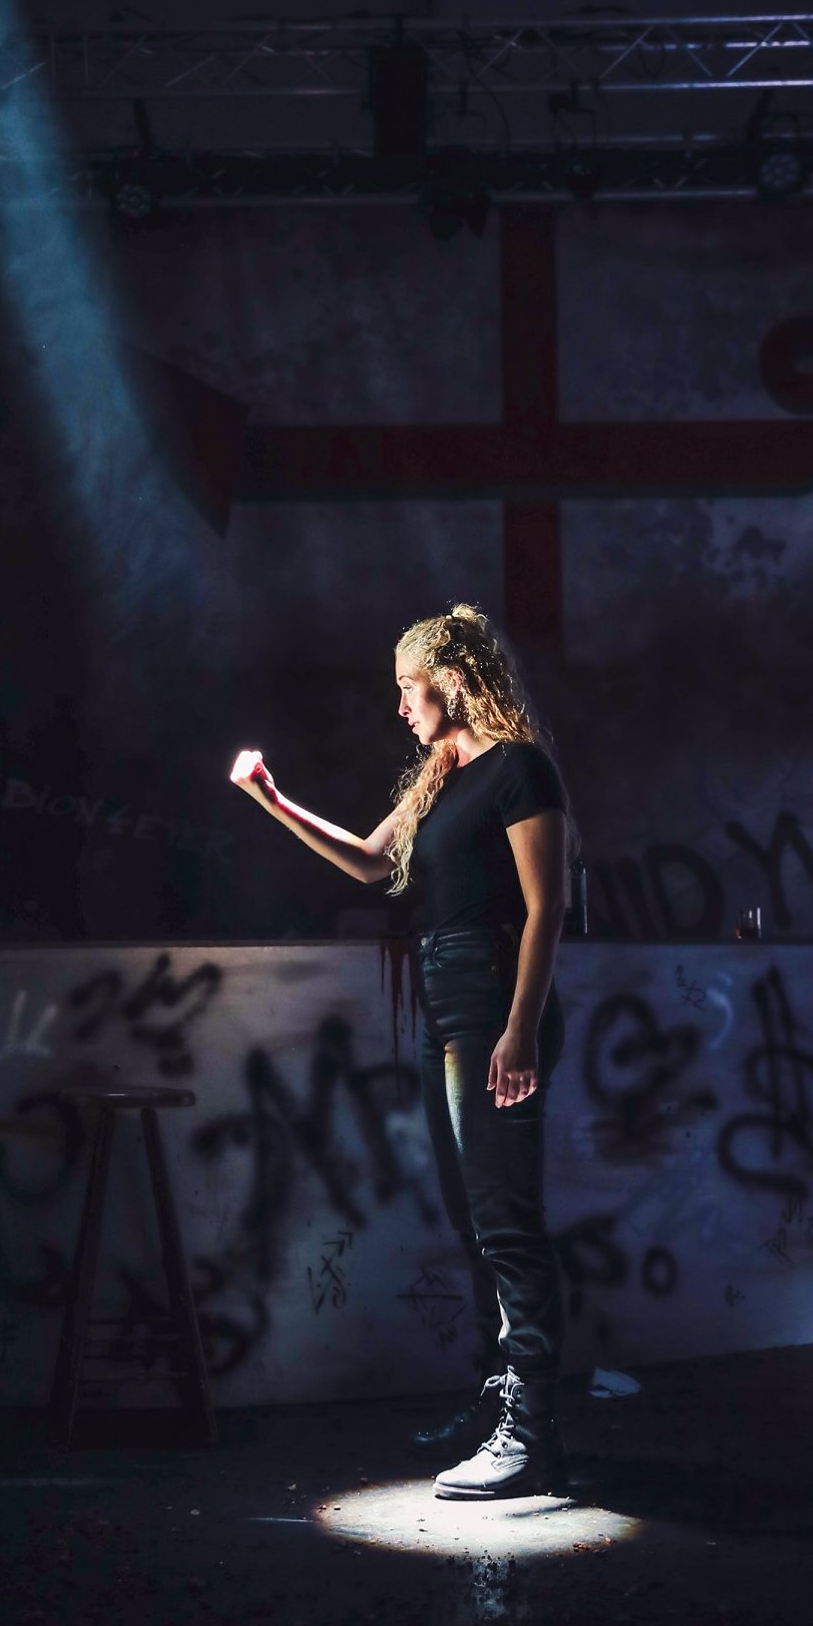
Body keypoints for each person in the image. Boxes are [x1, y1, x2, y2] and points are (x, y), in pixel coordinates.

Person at [229, 601, 570, 1500]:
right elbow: (369, 863)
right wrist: (270, 798)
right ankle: (499, 1401)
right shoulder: (439, 777)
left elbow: (546, 908)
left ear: (450, 681)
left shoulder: (517, 769)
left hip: (492, 999)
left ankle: (534, 1433)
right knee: (471, 1222)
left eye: (407, 688)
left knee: (504, 1221)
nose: (399, 706)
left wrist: (520, 1028)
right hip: (444, 1000)